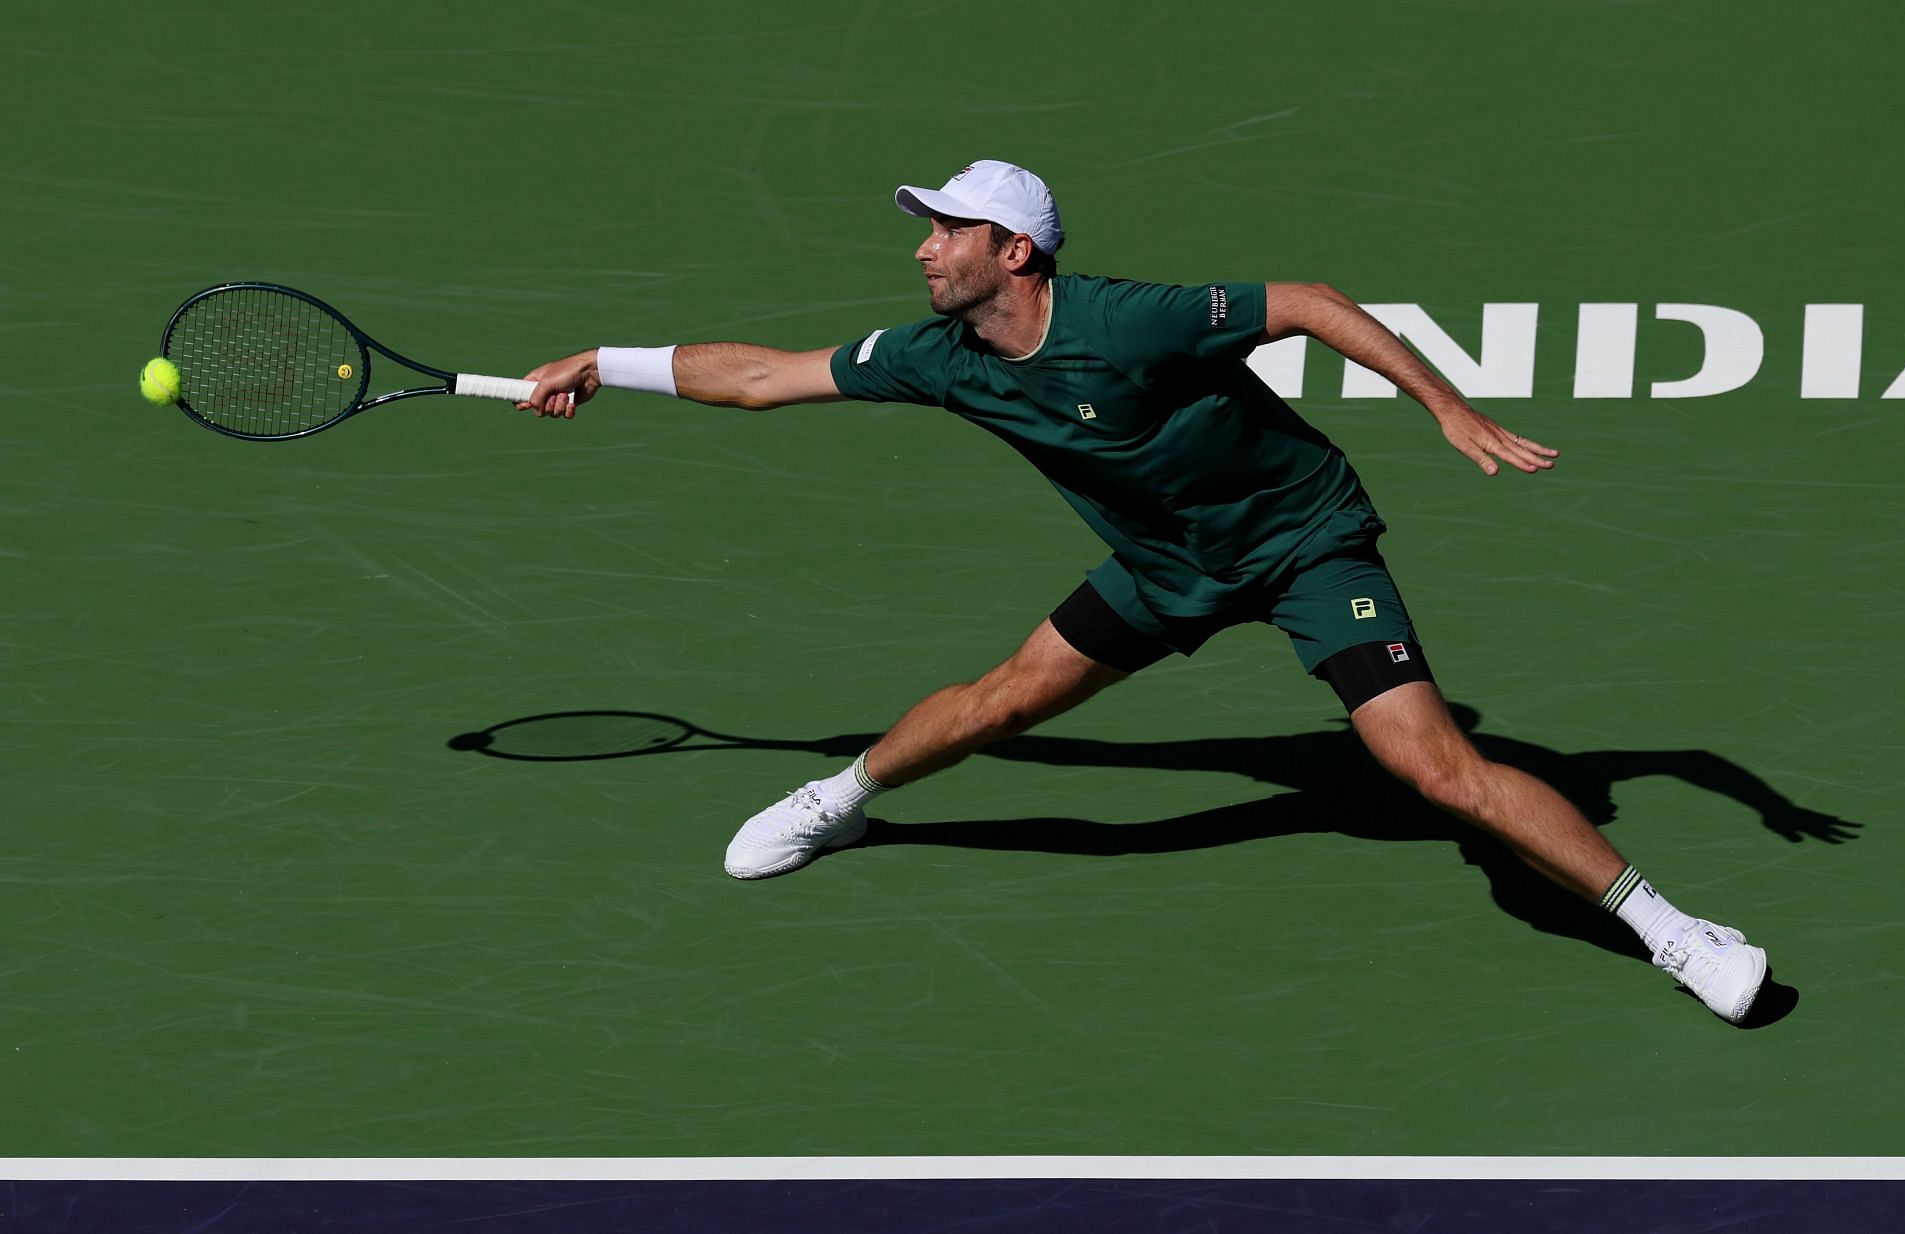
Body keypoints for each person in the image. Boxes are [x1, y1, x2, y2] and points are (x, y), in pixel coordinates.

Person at [520, 159, 1770, 1024]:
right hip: (1169, 566)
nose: (922, 245)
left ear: (1013, 250)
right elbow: (762, 378)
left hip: (1303, 542)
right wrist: (603, 360)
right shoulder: (936, 357)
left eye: (945, 229)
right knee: (1005, 703)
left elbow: (1314, 304)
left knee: (1432, 768)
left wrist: (1447, 406)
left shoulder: (1130, 322)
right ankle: (840, 798)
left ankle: (1673, 930)